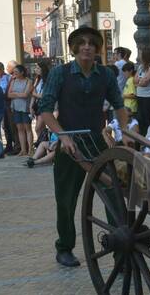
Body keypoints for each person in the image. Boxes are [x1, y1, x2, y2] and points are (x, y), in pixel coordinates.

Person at [39, 26, 130, 267]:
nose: (87, 47)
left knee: (113, 196)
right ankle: (65, 247)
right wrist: (63, 137)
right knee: (66, 200)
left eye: (92, 43)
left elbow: (119, 105)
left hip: (97, 144)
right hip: (69, 146)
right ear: (74, 48)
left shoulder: (105, 75)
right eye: (82, 43)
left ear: (97, 49)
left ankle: (122, 251)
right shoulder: (61, 73)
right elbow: (45, 110)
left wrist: (126, 131)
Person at [7, 64, 34, 156]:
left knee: (28, 128)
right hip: (15, 107)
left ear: (22, 72)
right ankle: (23, 150)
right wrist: (19, 94)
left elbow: (26, 95)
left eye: (16, 72)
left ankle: (30, 149)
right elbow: (9, 95)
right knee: (20, 129)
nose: (14, 74)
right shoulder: (13, 81)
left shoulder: (28, 81)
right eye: (13, 72)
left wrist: (15, 93)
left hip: (25, 108)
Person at [136, 47, 150, 136]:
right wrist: (140, 81)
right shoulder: (140, 67)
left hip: (149, 97)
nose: (139, 57)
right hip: (140, 96)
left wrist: (139, 81)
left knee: (148, 119)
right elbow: (135, 80)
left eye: (140, 55)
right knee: (140, 119)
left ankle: (149, 139)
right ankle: (142, 139)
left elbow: (145, 83)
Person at [0, 62, 16, 154]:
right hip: (0, 105)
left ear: (2, 69)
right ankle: (8, 145)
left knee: (11, 125)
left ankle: (16, 145)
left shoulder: (8, 78)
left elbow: (9, 89)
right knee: (5, 126)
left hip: (7, 103)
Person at [30, 61, 50, 137]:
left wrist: (35, 94)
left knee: (37, 128)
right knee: (41, 128)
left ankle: (41, 144)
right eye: (36, 68)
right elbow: (33, 94)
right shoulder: (37, 79)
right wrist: (31, 106)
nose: (36, 69)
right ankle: (42, 144)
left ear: (43, 69)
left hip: (44, 105)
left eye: (38, 68)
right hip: (37, 106)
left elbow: (45, 95)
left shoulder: (48, 79)